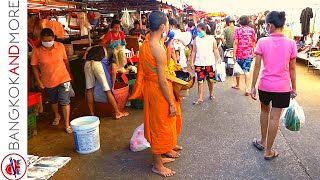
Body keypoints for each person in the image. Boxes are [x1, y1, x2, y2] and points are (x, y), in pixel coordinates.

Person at [129, 11, 183, 177]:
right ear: (162, 26)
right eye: (166, 24)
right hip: (158, 90)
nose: (168, 26)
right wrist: (171, 101)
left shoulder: (149, 40)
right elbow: (161, 81)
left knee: (167, 120)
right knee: (160, 124)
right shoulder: (155, 48)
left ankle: (166, 149)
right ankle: (157, 164)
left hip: (155, 87)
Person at [251, 11, 297, 160]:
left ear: (269, 25)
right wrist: (294, 87)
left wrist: (252, 86)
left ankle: (262, 141)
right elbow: (292, 68)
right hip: (282, 87)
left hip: (265, 85)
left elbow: (257, 66)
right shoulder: (291, 43)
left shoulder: (262, 42)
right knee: (274, 118)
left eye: (266, 24)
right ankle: (268, 151)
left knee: (264, 112)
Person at [31, 28, 73, 133]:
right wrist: (38, 80)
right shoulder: (37, 51)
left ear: (53, 38)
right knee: (53, 100)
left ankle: (67, 124)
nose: (48, 43)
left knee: (65, 101)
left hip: (64, 78)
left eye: (50, 40)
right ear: (41, 39)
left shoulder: (60, 46)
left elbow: (66, 61)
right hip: (48, 81)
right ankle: (57, 115)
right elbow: (34, 67)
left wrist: (70, 73)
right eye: (45, 41)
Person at [83, 45, 129, 119]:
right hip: (98, 65)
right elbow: (114, 70)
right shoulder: (113, 53)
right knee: (107, 90)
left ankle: (92, 113)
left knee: (89, 89)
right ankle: (117, 113)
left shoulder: (95, 48)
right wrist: (113, 85)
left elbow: (85, 58)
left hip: (87, 64)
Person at [191, 23, 222, 104]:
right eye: (197, 31)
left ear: (204, 30)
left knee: (210, 80)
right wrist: (192, 62)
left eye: (199, 31)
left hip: (209, 63)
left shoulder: (211, 38)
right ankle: (200, 97)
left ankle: (211, 93)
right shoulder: (196, 39)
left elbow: (215, 49)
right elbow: (194, 51)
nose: (198, 33)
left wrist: (218, 58)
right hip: (199, 64)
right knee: (200, 81)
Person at [232, 15, 256, 96]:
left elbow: (235, 43)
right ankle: (247, 89)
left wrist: (234, 54)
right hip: (248, 54)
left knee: (237, 69)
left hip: (239, 53)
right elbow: (253, 42)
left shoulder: (237, 30)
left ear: (240, 21)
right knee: (247, 71)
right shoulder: (252, 30)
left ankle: (238, 85)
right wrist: (253, 52)